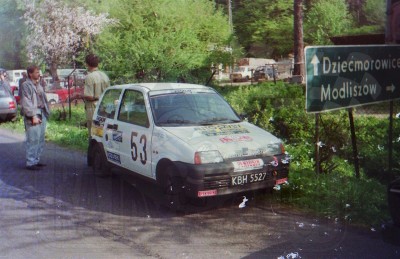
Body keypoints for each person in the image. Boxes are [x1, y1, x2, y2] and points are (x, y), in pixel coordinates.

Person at [20, 65, 50, 171]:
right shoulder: (25, 85)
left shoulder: (38, 84)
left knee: (40, 138)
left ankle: (36, 160)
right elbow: (26, 102)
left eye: (39, 72)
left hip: (42, 112)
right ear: (30, 74)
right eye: (36, 72)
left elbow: (43, 98)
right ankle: (30, 162)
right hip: (33, 112)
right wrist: (33, 116)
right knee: (33, 138)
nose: (39, 74)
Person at [80, 53, 110, 136]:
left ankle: (93, 149)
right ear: (98, 63)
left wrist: (80, 96)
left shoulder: (89, 77)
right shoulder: (105, 76)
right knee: (102, 133)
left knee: (93, 134)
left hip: (93, 108)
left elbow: (88, 96)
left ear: (87, 64)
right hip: (105, 108)